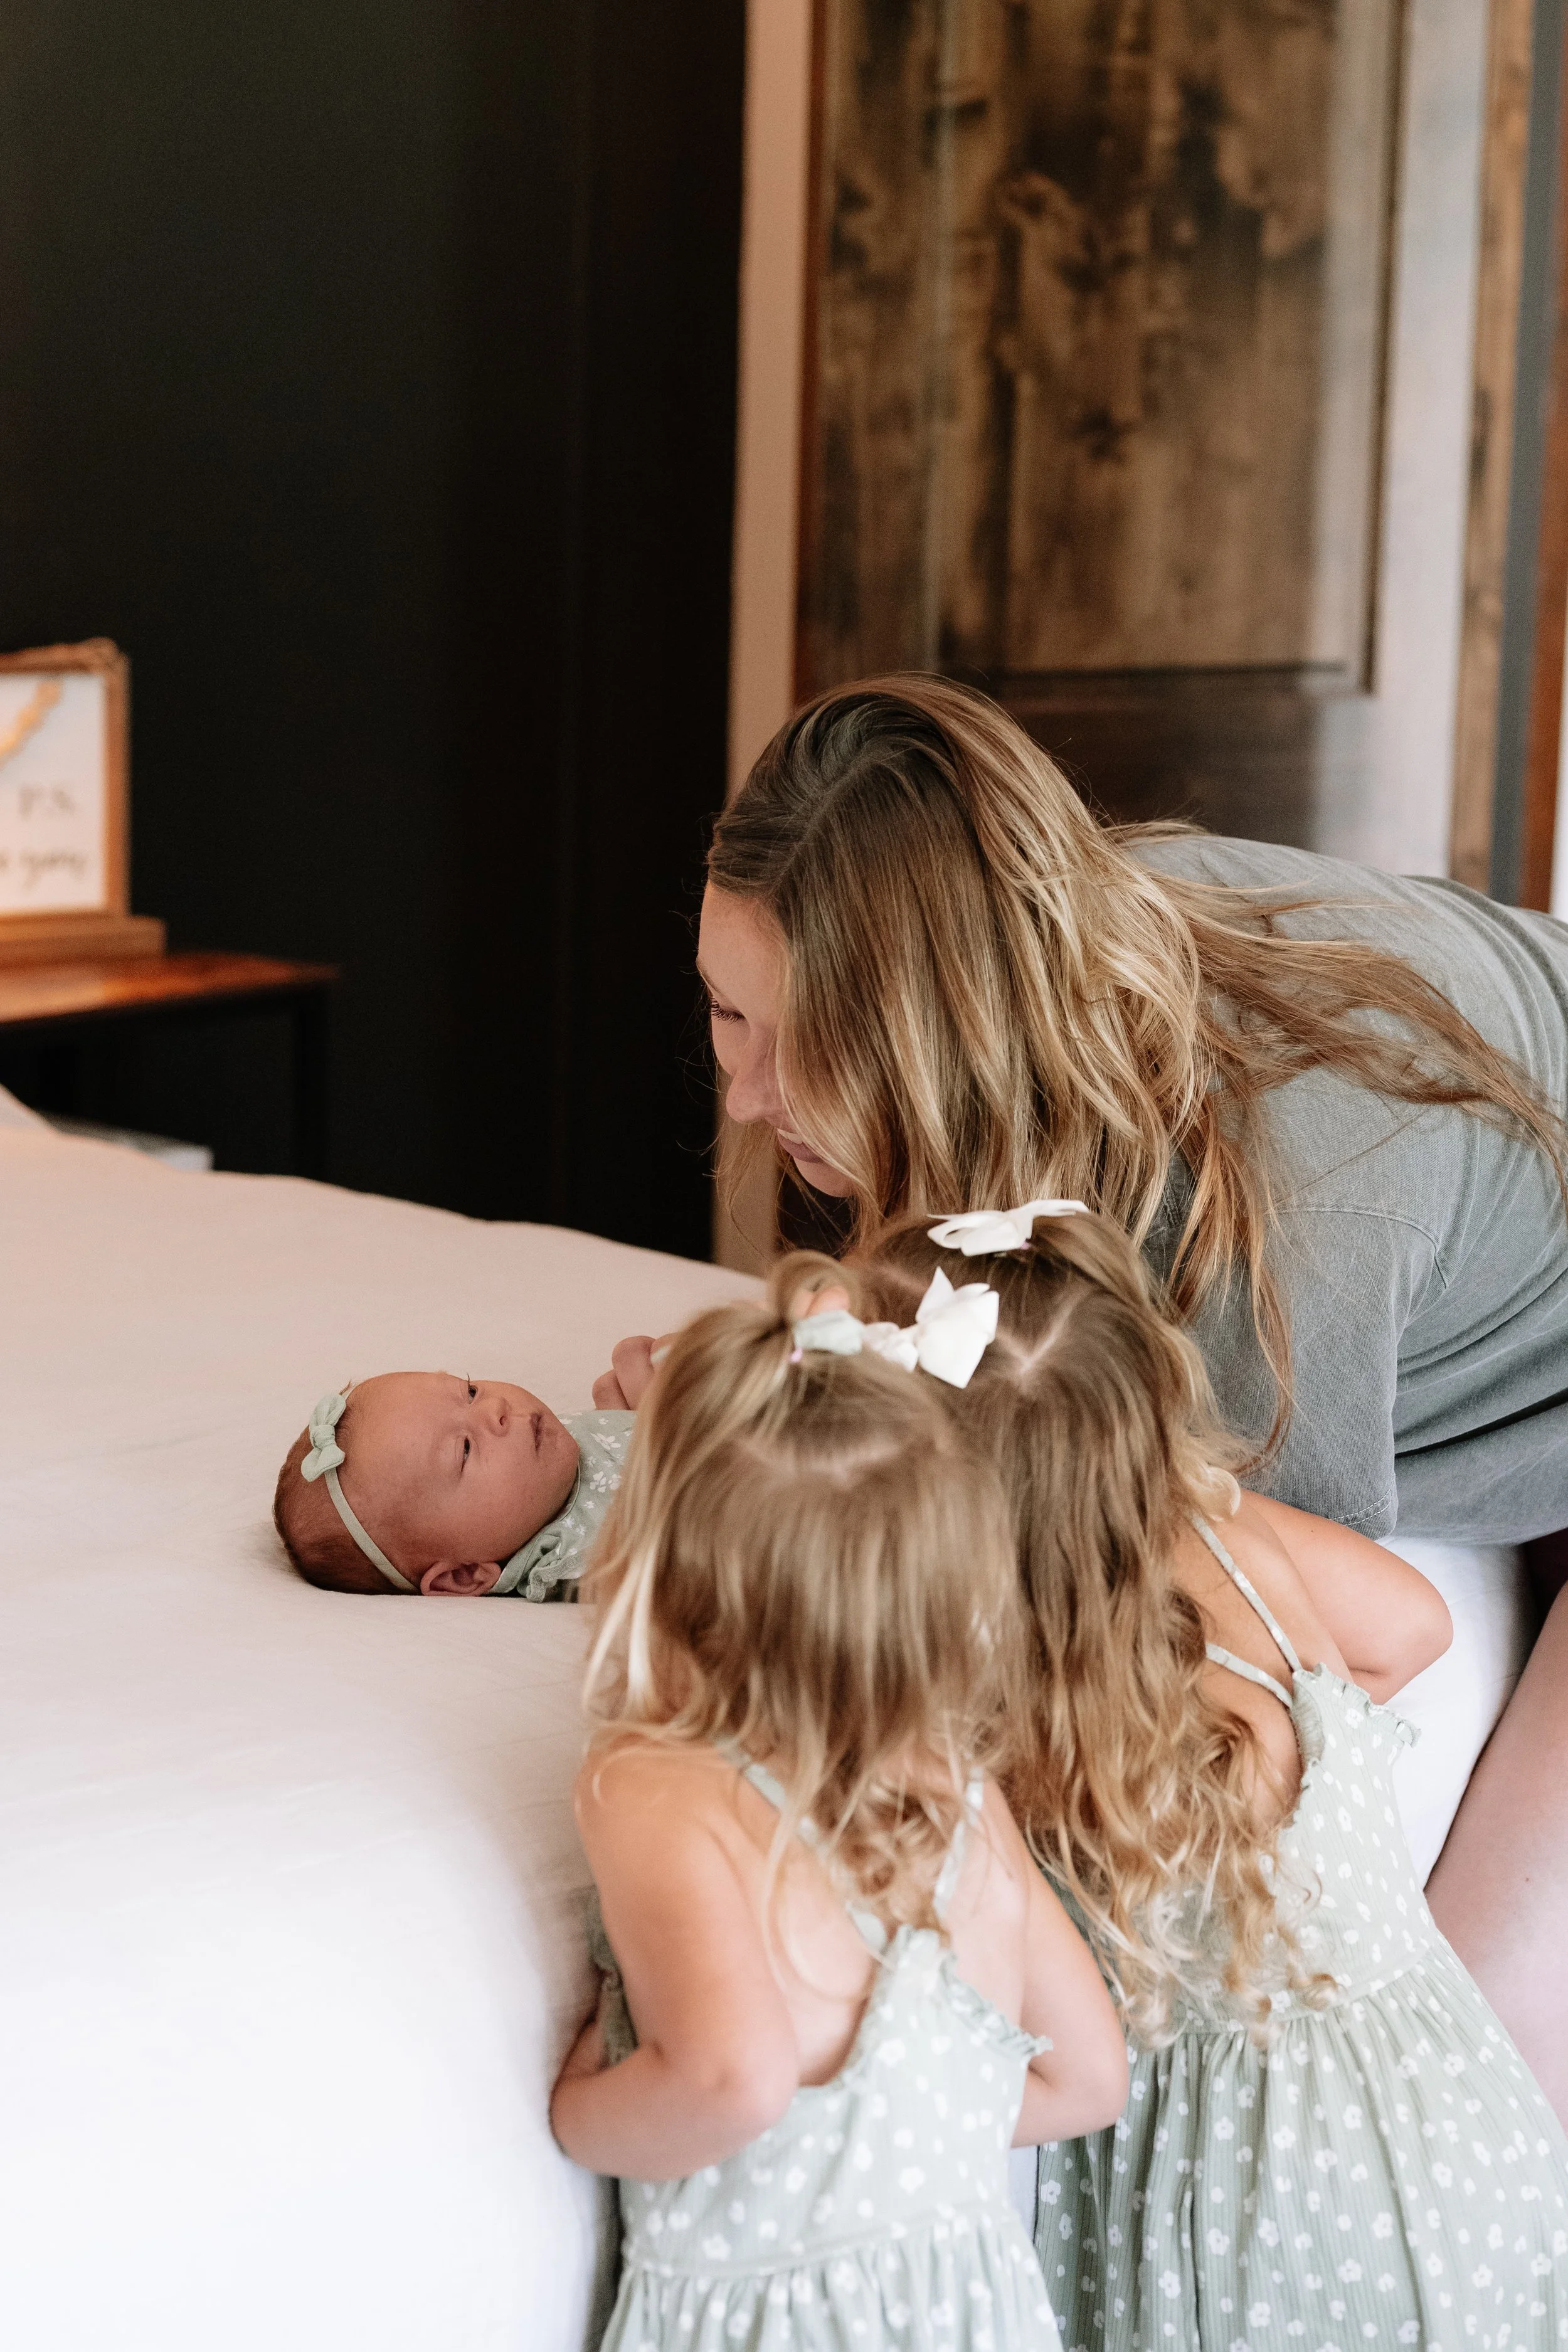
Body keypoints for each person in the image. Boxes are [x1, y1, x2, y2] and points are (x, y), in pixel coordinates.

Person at [695, 673, 1568, 2112]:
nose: (745, 1093)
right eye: (731, 1014)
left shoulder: (1286, 1233)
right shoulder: (1061, 909)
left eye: (808, 1046)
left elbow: (1247, 1644)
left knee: (1466, 2070)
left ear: (944, 1035)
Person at [840, 1202, 1568, 2345]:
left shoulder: (1009, 1719)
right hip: (1463, 2128)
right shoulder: (1229, 1532)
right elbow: (1415, 1626)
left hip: (1261, 2208)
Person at [549, 1259, 1129, 2352]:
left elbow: (732, 2080)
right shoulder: (959, 1789)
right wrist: (913, 2145)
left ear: (656, 1555)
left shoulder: (648, 1784)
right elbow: (1089, 2077)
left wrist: (580, 2107)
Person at [272, 1373, 632, 1597]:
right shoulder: (580, 1556)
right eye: (464, 1450)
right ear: (464, 1575)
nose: (497, 1410)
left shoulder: (547, 1448)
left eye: (471, 1392)